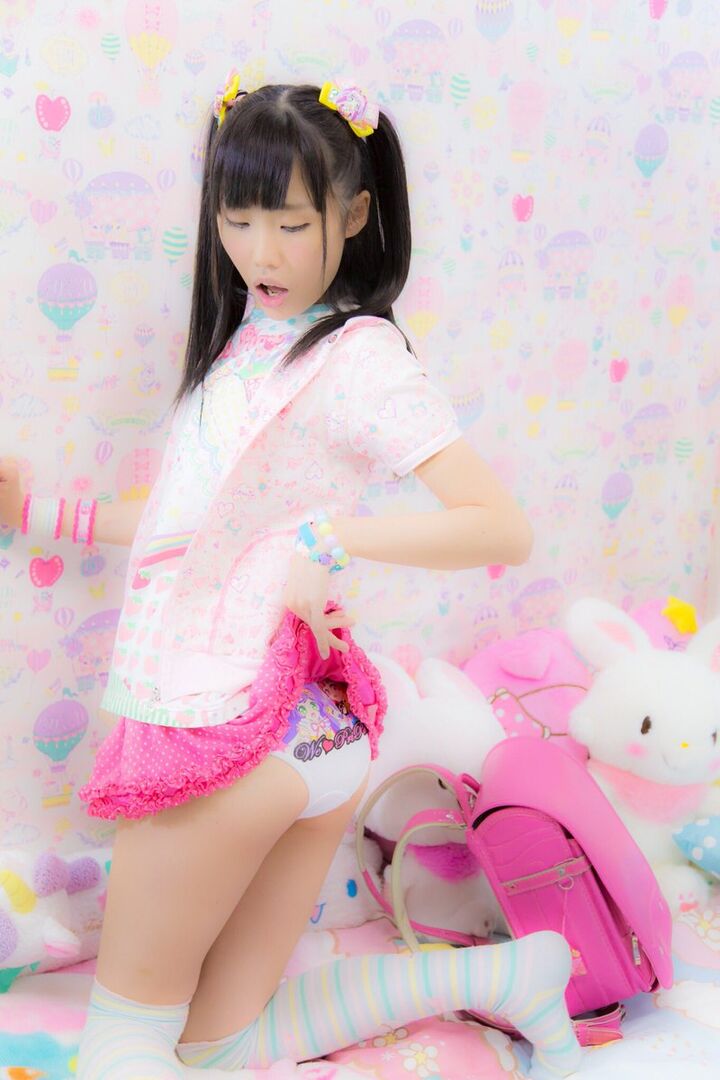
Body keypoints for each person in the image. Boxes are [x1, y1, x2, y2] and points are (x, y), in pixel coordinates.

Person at [0, 75, 582, 1079]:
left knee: (126, 1036)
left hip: (228, 719)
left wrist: (326, 541)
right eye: (237, 220)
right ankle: (504, 977)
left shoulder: (358, 357)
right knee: (218, 1042)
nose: (260, 252)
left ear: (354, 216)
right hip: (315, 733)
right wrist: (39, 516)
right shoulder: (251, 342)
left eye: (291, 223)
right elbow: (195, 528)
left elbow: (501, 527)